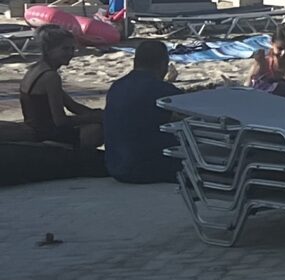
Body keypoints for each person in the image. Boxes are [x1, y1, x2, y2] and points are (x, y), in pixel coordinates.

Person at [102, 38, 181, 183]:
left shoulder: (117, 86)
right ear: (163, 65)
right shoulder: (162, 90)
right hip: (146, 168)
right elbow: (193, 113)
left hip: (116, 166)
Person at [18, 28, 102, 148]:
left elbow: (71, 105)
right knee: (99, 130)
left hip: (36, 128)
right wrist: (91, 118)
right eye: (65, 49)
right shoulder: (51, 77)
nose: (71, 53)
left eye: (72, 49)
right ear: (48, 50)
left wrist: (97, 114)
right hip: (46, 133)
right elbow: (60, 121)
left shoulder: (35, 69)